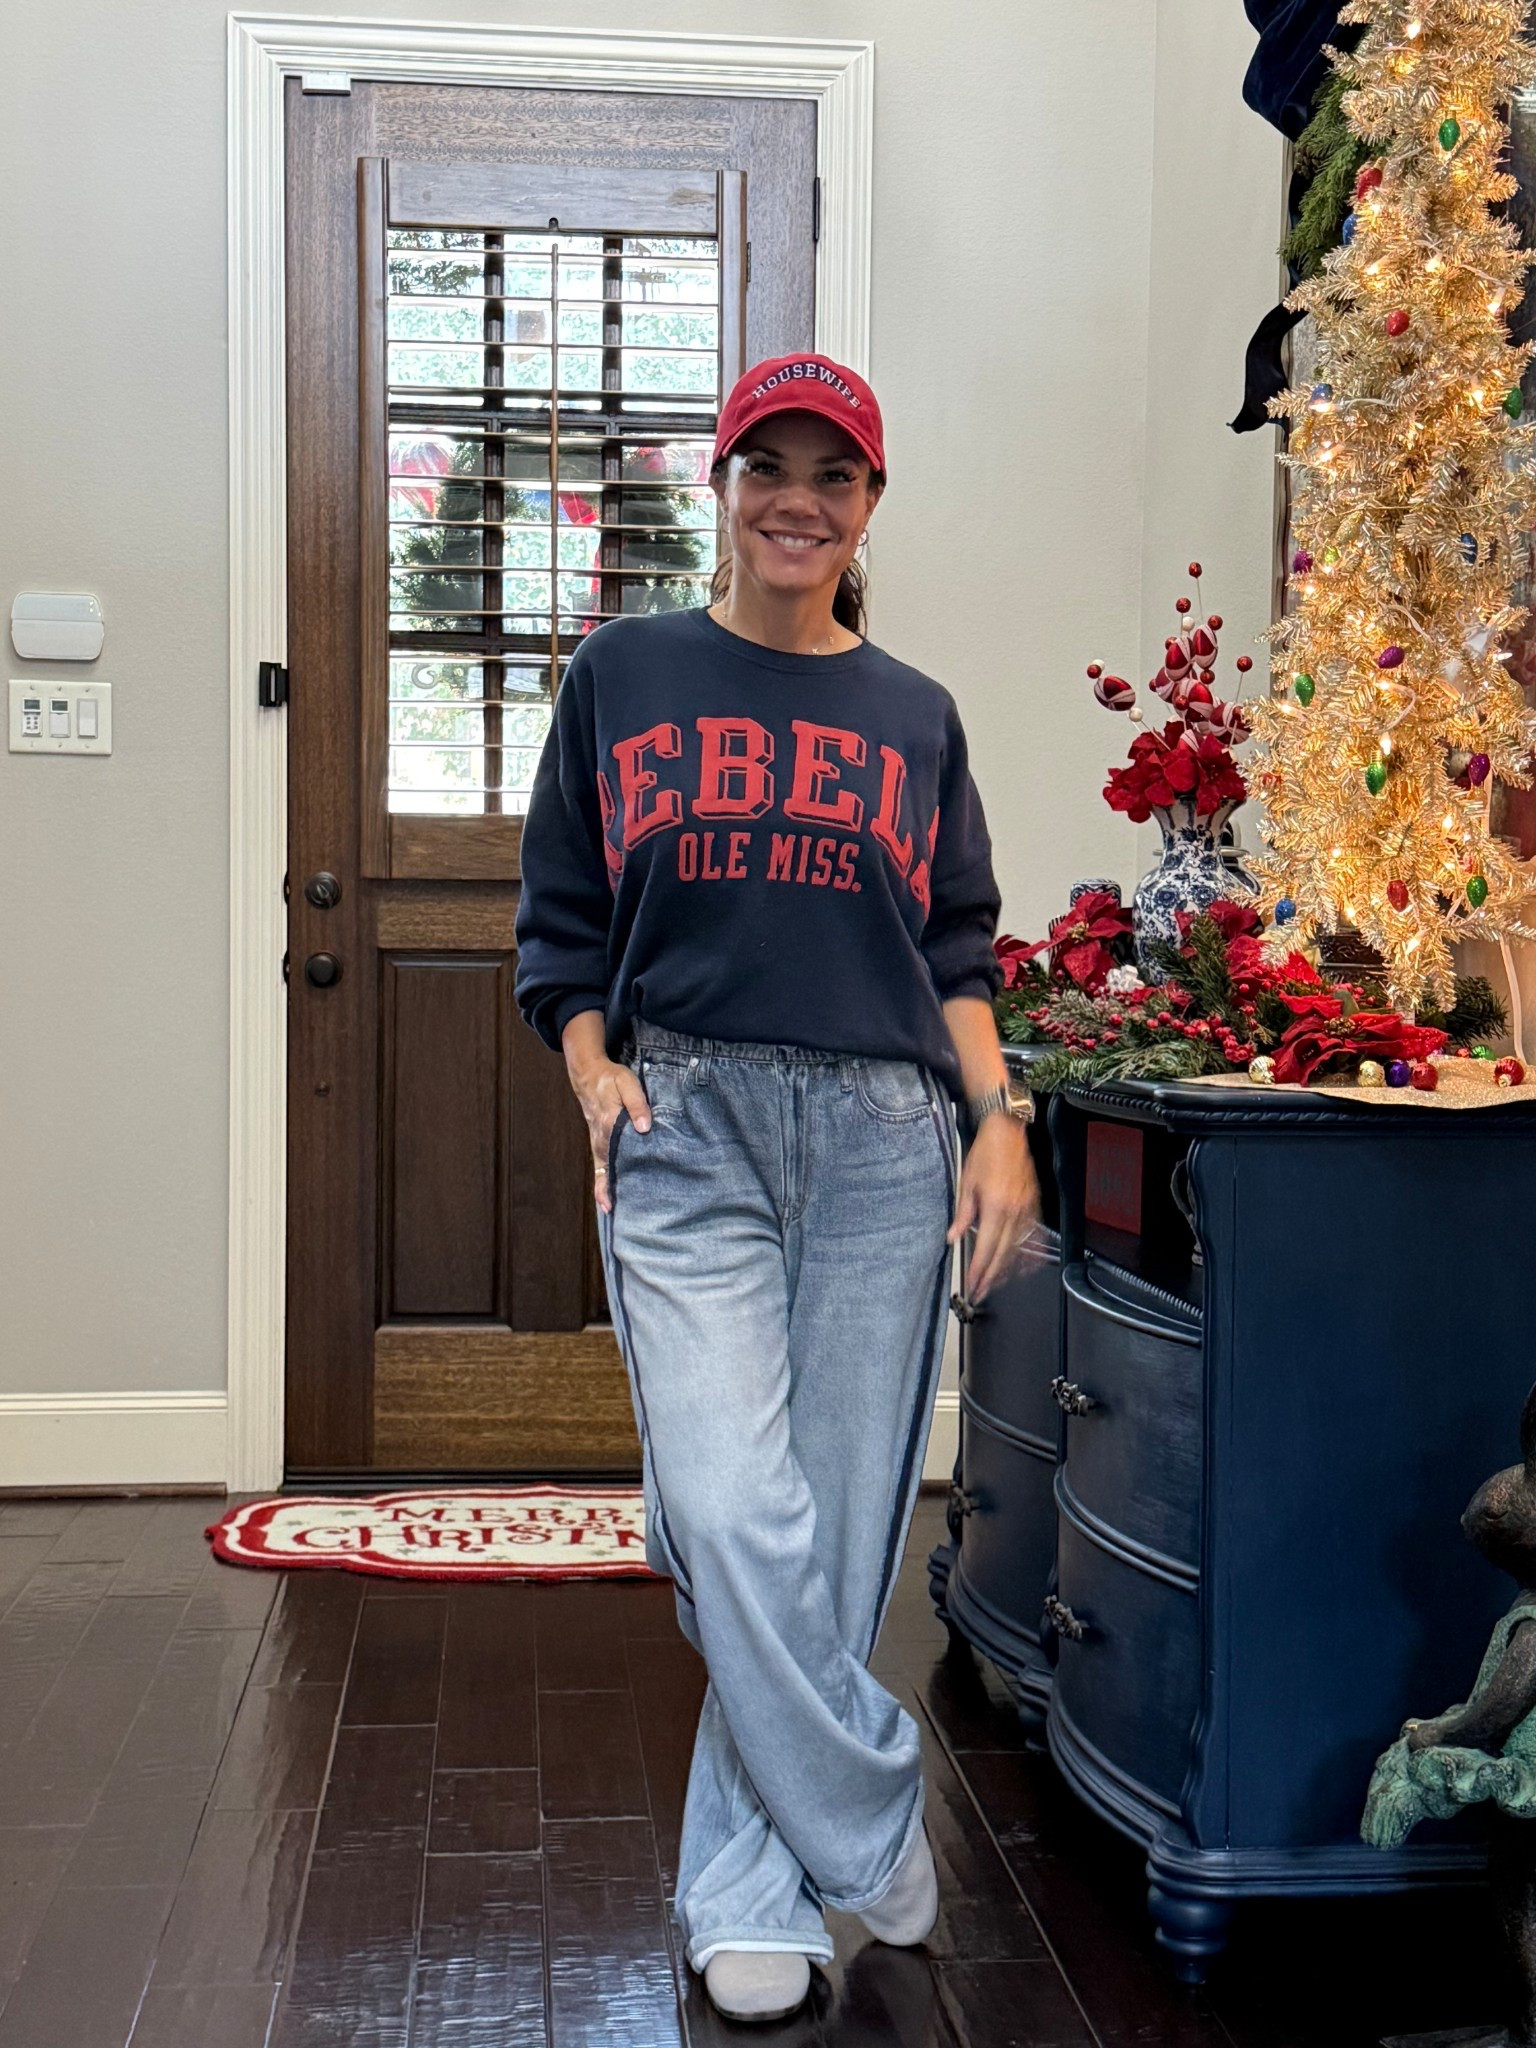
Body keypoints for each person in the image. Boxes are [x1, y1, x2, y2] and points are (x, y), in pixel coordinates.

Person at [513, 352, 1039, 2023]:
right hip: (692, 1125)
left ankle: (756, 1885)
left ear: (870, 504)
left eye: (836, 470)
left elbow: (955, 950)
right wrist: (596, 1071)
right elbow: (564, 925)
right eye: (769, 464)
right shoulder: (625, 673)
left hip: (891, 1137)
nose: (798, 496)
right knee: (728, 1514)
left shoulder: (916, 715)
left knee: (829, 1533)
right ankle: (863, 1807)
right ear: (724, 488)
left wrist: (1001, 1118)